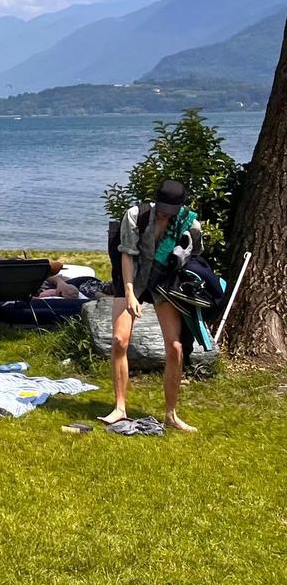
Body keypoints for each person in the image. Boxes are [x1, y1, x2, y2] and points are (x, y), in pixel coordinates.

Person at [100, 179, 201, 432]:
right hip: (131, 276)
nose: (167, 214)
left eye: (172, 210)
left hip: (164, 281)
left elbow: (196, 253)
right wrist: (130, 293)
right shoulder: (136, 215)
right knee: (119, 341)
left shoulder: (189, 222)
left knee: (176, 348)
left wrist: (186, 247)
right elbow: (126, 254)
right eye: (164, 208)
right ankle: (120, 408)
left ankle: (171, 414)